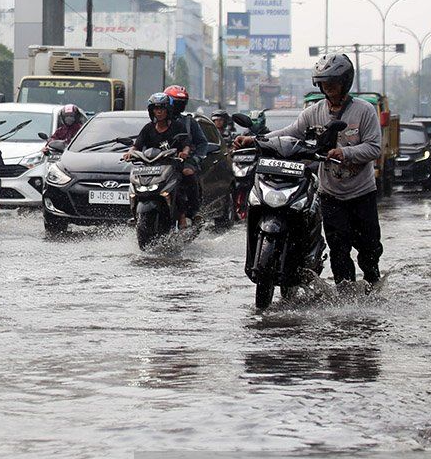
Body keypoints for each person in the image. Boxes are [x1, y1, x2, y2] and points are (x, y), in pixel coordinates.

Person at [235, 53, 383, 287]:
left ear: (345, 82)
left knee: (369, 250)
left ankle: (373, 285)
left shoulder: (364, 111)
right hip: (331, 194)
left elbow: (374, 147)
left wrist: (345, 153)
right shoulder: (313, 112)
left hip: (361, 193)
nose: (329, 87)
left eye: (333, 82)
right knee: (339, 249)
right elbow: (290, 132)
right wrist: (254, 140)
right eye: (324, 83)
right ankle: (345, 298)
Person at [124, 93, 196, 227]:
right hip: (152, 166)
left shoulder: (178, 126)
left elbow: (186, 144)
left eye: (162, 109)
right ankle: (135, 215)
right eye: (156, 109)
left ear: (168, 110)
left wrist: (184, 153)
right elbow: (136, 145)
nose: (159, 112)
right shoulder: (148, 128)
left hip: (174, 164)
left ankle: (186, 214)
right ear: (151, 111)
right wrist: (130, 153)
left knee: (187, 175)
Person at [164, 84, 208, 224]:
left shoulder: (189, 122)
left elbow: (202, 143)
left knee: (188, 173)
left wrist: (195, 158)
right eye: (176, 102)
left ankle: (193, 211)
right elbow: (145, 141)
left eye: (182, 103)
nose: (179, 106)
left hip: (184, 161)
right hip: (162, 161)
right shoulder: (157, 122)